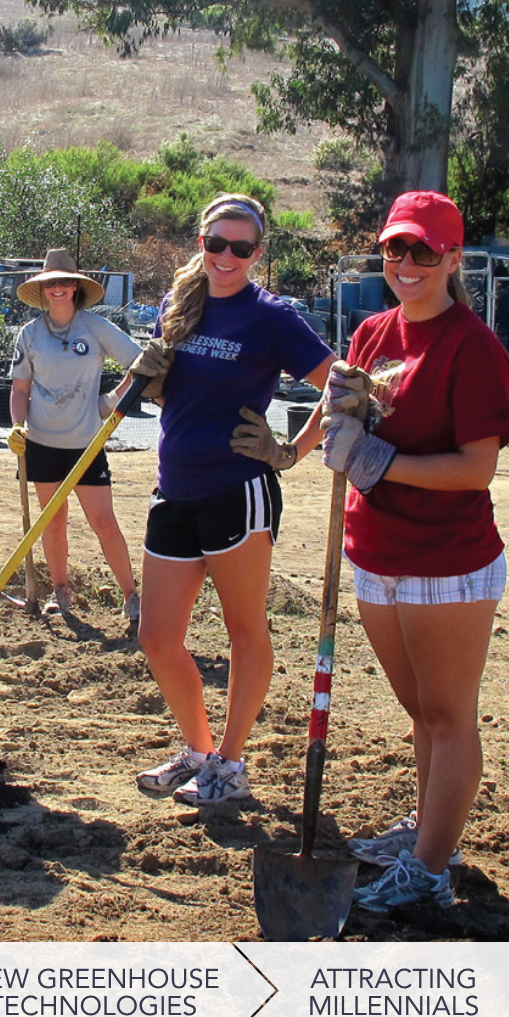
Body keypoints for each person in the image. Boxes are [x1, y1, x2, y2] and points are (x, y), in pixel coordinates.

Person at [320, 190, 509, 912]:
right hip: (374, 549)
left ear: (453, 258)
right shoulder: (373, 331)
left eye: (424, 251)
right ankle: (428, 827)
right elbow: (346, 415)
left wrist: (376, 460)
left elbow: (475, 467)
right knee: (419, 709)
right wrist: (325, 423)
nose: (406, 264)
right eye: (395, 249)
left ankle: (432, 867)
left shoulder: (472, 346)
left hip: (448, 559)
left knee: (447, 714)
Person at [133, 194, 335, 806]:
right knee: (156, 636)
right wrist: (151, 374)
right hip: (174, 487)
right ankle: (197, 749)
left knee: (245, 630)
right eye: (216, 244)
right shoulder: (178, 304)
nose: (226, 257)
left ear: (257, 254)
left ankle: (231, 762)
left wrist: (290, 451)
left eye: (240, 248)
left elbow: (343, 387)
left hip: (237, 491)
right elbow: (166, 395)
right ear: (201, 243)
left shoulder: (270, 316)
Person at [7, 248, 145, 621]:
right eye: (51, 282)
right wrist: (18, 426)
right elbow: (19, 391)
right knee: (53, 520)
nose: (58, 288)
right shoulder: (30, 335)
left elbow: (140, 363)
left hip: (86, 445)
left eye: (65, 282)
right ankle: (60, 591)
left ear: (76, 287)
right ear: (42, 289)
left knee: (103, 521)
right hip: (41, 444)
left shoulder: (95, 328)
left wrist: (109, 403)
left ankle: (132, 596)